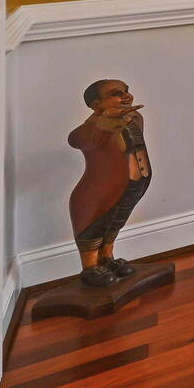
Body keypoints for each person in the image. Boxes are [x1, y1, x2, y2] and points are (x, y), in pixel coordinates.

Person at [67, 80, 152, 289]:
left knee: (115, 223)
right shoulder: (90, 130)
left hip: (131, 185)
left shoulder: (134, 118)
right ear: (97, 105)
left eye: (126, 91)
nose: (126, 96)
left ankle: (107, 259)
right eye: (116, 93)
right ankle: (90, 267)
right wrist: (103, 123)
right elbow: (76, 139)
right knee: (94, 227)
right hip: (99, 192)